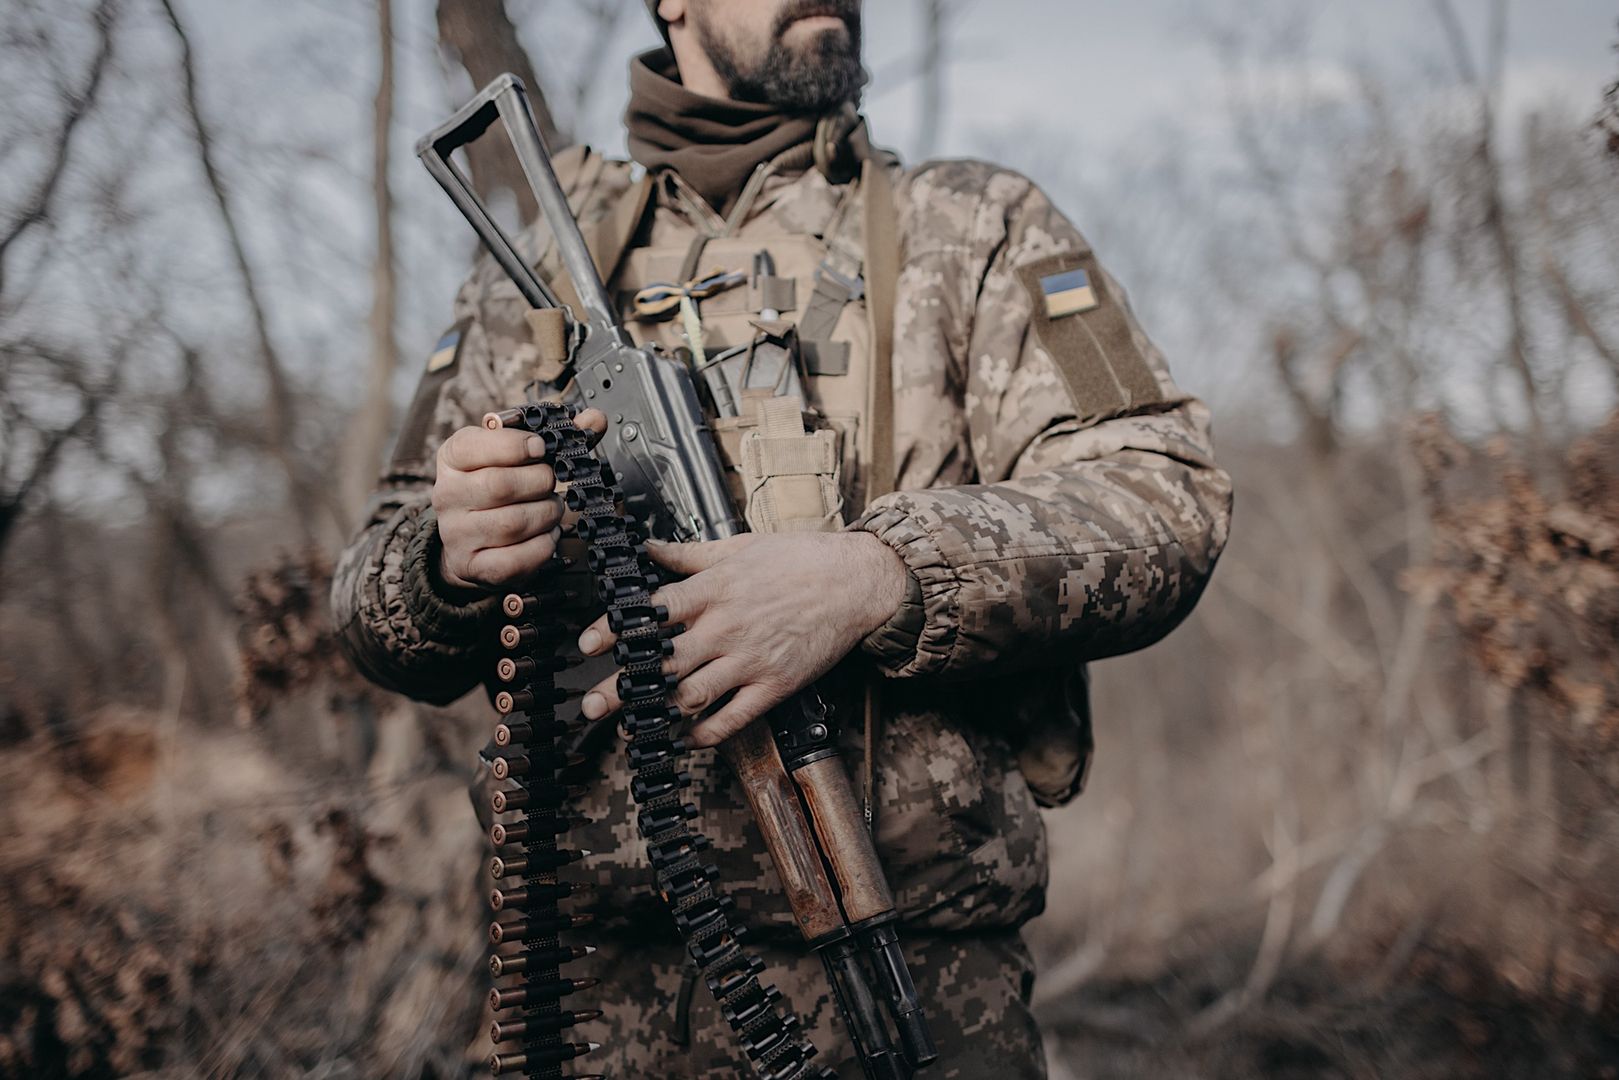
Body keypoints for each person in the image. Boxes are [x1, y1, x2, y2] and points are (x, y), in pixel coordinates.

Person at [331, 0, 1233, 1075]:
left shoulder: (969, 226)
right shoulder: (528, 281)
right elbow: (370, 600)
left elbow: (1162, 495)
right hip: (586, 999)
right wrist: (445, 557)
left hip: (916, 988)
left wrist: (876, 575)